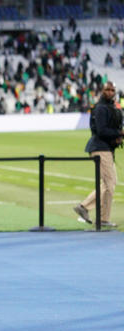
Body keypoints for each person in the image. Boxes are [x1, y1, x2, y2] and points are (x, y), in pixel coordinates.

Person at [74, 81, 123, 227]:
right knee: (109, 184)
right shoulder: (101, 108)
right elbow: (101, 131)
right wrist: (119, 133)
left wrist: (117, 138)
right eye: (107, 89)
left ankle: (103, 218)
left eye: (112, 90)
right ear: (102, 91)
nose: (110, 92)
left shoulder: (108, 106)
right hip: (100, 148)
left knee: (110, 183)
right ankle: (84, 208)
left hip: (105, 148)